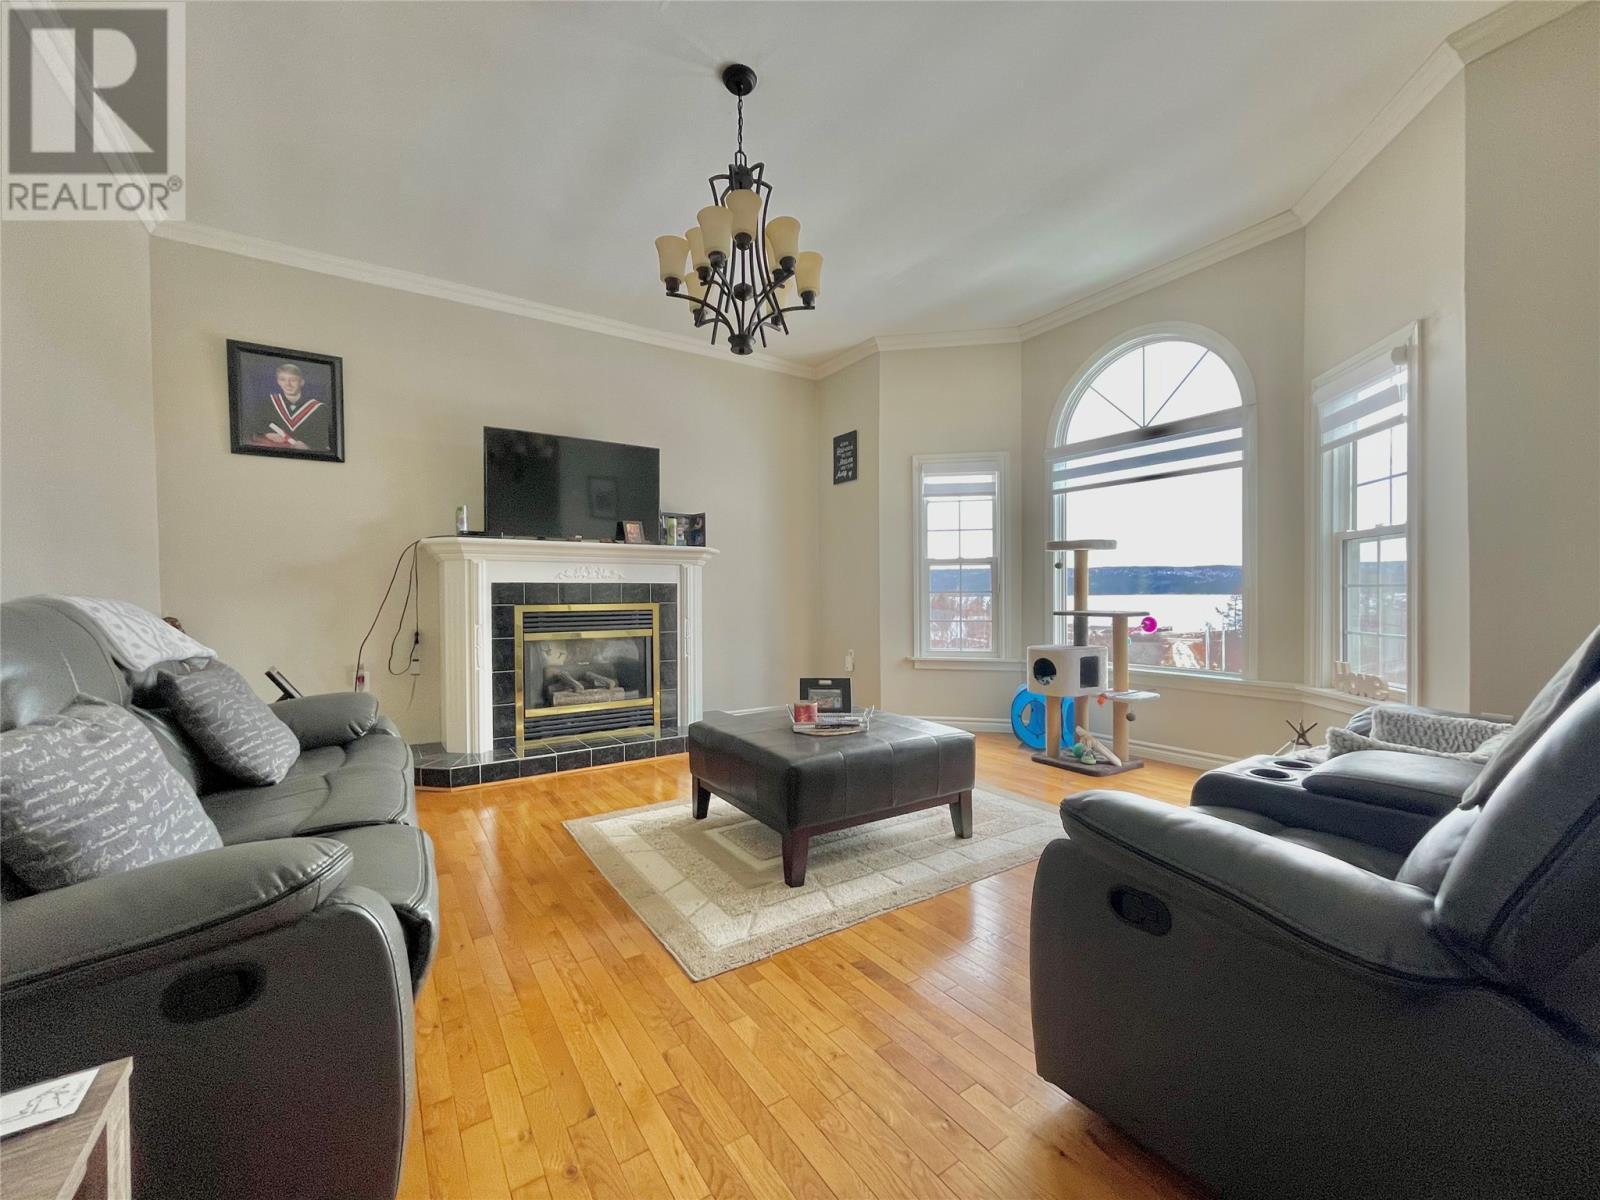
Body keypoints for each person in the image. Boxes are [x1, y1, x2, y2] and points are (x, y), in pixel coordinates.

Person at [244, 361, 329, 451]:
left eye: (293, 380)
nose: (288, 384)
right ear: (278, 382)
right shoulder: (267, 404)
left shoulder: (319, 409)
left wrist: (309, 446)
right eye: (282, 379)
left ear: (301, 382)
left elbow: (323, 438)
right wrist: (267, 433)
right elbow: (255, 428)